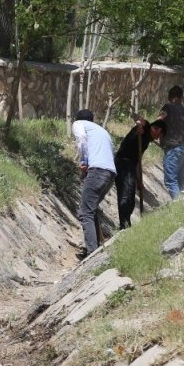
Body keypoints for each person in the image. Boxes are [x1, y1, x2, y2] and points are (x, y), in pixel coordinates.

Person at [71, 109, 117, 259]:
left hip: (97, 172)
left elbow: (82, 139)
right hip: (110, 174)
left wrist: (84, 162)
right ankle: (96, 248)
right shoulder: (102, 131)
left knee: (85, 213)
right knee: (92, 209)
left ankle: (92, 254)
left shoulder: (78, 124)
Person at [113, 117, 166, 229]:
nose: (158, 138)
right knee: (125, 197)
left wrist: (139, 181)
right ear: (157, 129)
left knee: (131, 199)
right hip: (122, 164)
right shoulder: (146, 127)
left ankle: (126, 223)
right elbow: (141, 121)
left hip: (131, 166)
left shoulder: (146, 141)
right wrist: (139, 127)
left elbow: (138, 161)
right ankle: (124, 226)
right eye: (160, 135)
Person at [157, 85, 184, 199]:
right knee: (181, 181)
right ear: (181, 98)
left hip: (174, 149)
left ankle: (179, 208)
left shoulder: (168, 107)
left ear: (169, 97)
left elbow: (159, 120)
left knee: (171, 181)